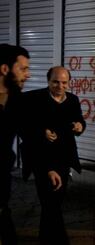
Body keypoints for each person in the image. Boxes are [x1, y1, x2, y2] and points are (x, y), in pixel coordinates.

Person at [20, 66, 85, 245]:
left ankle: (48, 238)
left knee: (54, 203)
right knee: (50, 202)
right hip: (41, 158)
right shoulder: (33, 99)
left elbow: (80, 121)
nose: (60, 86)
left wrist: (80, 126)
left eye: (64, 82)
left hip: (64, 158)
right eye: (55, 82)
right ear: (48, 80)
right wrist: (42, 131)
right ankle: (58, 240)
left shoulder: (73, 100)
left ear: (69, 82)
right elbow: (22, 128)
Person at [0, 43, 30, 245]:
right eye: (23, 68)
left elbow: (31, 136)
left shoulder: (18, 101)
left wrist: (50, 168)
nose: (27, 75)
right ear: (4, 69)